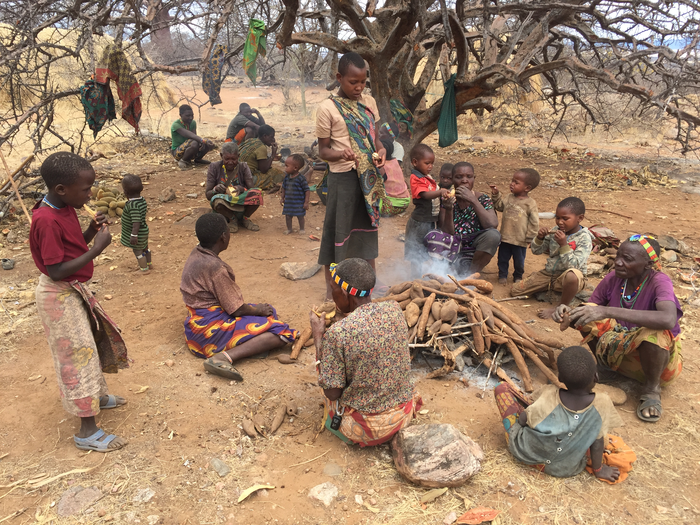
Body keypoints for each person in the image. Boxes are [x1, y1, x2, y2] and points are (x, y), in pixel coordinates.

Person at [30, 152, 128, 453]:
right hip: (58, 293)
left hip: (71, 289)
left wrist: (90, 232)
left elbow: (70, 248)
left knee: (89, 346)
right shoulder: (45, 220)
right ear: (61, 189)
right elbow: (56, 268)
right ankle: (87, 431)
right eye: (85, 189)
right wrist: (97, 249)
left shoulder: (65, 207)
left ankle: (95, 397)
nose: (90, 194)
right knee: (77, 356)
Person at [554, 235, 683, 423]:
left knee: (655, 333)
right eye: (618, 257)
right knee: (585, 312)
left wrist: (607, 310)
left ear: (648, 264)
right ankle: (606, 367)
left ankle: (651, 390)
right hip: (619, 351)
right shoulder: (614, 278)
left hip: (659, 364)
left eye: (627, 259)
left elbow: (668, 319)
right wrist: (567, 310)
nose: (618, 263)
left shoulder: (659, 281)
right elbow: (592, 310)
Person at [310, 258, 421, 446]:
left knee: (327, 380)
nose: (331, 295)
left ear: (344, 293)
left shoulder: (338, 333)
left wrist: (318, 338)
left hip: (368, 430)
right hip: (403, 415)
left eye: (333, 289)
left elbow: (332, 393)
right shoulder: (394, 309)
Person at [180, 214, 297, 381]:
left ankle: (248, 345)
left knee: (269, 312)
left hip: (194, 327)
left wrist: (259, 310)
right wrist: (258, 310)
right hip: (208, 334)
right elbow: (236, 309)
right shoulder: (215, 268)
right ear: (223, 237)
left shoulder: (198, 252)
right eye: (228, 232)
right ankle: (225, 357)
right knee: (280, 332)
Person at [316, 52, 387, 300]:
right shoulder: (327, 108)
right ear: (339, 78)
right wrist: (339, 154)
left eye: (363, 82)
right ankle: (332, 290)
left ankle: (369, 287)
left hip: (368, 181)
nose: (358, 88)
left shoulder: (369, 103)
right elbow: (322, 150)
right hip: (343, 179)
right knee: (337, 233)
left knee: (367, 232)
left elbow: (375, 138)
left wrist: (381, 150)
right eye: (352, 82)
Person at [494, 346, 623, 481]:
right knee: (596, 433)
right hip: (565, 468)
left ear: (560, 378)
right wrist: (599, 470)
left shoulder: (548, 394)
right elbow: (597, 442)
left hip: (525, 454)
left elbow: (522, 419)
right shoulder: (603, 403)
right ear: (596, 377)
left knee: (502, 388)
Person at [511, 197, 592, 319]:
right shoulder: (555, 231)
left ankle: (560, 306)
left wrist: (564, 245)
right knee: (515, 291)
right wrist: (539, 238)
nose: (560, 222)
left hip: (569, 276)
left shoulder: (584, 238)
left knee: (572, 275)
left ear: (580, 218)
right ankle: (554, 292)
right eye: (557, 217)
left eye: (565, 218)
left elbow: (574, 266)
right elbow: (536, 251)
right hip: (549, 275)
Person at [428, 162, 500, 275]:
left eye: (469, 177)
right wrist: (448, 209)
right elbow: (446, 233)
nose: (464, 180)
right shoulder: (447, 198)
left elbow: (492, 224)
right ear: (452, 180)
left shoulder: (482, 198)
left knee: (493, 235)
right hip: (452, 248)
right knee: (433, 234)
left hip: (474, 249)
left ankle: (469, 275)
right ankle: (444, 270)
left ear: (474, 179)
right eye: (459, 177)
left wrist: (473, 200)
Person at [404, 144, 449, 276]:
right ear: (415, 162)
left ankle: (423, 276)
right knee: (416, 251)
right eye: (427, 163)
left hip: (428, 222)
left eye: (432, 163)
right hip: (419, 223)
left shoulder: (426, 178)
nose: (430, 166)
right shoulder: (416, 178)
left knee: (425, 250)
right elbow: (424, 195)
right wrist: (440, 192)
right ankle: (415, 278)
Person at [491, 169, 540, 286]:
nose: (512, 184)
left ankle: (518, 276)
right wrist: (495, 194)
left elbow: (534, 222)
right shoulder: (508, 198)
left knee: (519, 261)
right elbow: (499, 206)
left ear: (527, 188)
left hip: (520, 239)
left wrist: (531, 237)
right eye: (512, 181)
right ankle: (502, 275)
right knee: (502, 259)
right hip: (505, 237)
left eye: (516, 182)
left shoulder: (530, 203)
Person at [205, 141, 263, 233]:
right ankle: (232, 219)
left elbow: (252, 189)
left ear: (238, 156)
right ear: (221, 156)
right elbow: (208, 195)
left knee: (257, 194)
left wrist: (241, 189)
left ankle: (245, 218)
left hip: (241, 202)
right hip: (224, 204)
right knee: (217, 201)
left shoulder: (243, 166)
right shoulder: (214, 167)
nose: (230, 162)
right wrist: (215, 189)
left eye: (234, 159)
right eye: (227, 159)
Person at [238, 124, 286, 191]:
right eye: (271, 137)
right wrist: (273, 154)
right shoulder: (261, 147)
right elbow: (263, 170)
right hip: (246, 179)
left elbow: (256, 161)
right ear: (265, 136)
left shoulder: (251, 140)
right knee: (275, 172)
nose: (273, 139)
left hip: (236, 174)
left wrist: (270, 159)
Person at [120, 174, 151, 273]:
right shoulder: (142, 201)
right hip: (144, 231)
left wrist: (134, 235)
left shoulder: (132, 205)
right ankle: (149, 264)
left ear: (125, 192)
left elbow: (136, 221)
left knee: (137, 251)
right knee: (145, 248)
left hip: (138, 233)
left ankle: (144, 269)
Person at [171, 105, 216, 170]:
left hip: (189, 148)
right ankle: (183, 160)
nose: (190, 117)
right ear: (181, 115)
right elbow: (190, 135)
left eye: (192, 115)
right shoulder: (176, 125)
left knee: (203, 142)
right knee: (197, 142)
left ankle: (198, 159)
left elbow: (194, 137)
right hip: (177, 152)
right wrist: (203, 141)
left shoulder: (192, 123)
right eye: (187, 116)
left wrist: (204, 143)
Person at [378, 139, 410, 217]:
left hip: (390, 206)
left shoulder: (382, 166)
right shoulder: (395, 162)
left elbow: (382, 179)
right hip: (405, 202)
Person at [280, 154, 310, 234]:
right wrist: (282, 197)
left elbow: (307, 190)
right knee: (288, 216)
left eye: (287, 166)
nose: (285, 168)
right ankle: (289, 229)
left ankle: (302, 229)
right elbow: (284, 187)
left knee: (300, 216)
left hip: (298, 202)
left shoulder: (301, 178)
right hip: (289, 202)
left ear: (295, 168)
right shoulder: (287, 177)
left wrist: (306, 202)